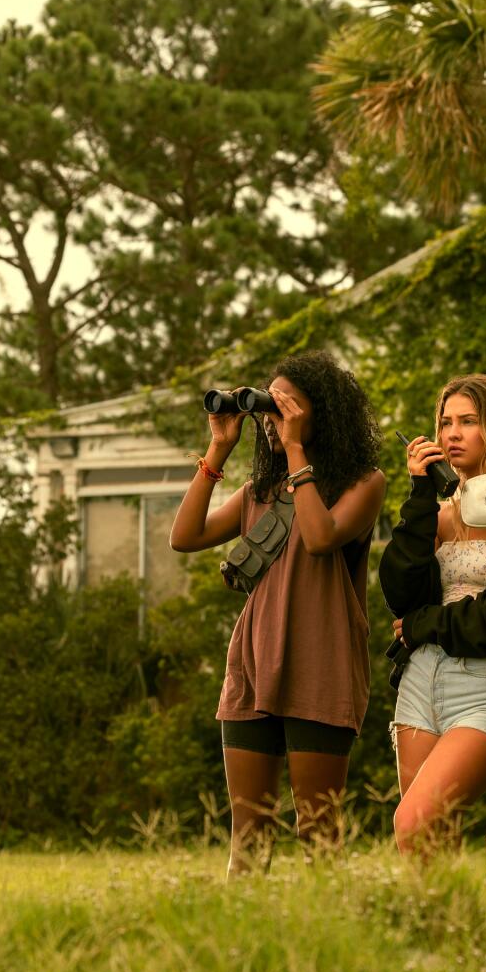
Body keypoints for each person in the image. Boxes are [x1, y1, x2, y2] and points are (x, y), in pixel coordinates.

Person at [170, 351, 386, 873]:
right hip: (252, 665)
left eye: (284, 407)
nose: (271, 420)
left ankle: (327, 945)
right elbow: (185, 537)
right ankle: (246, 948)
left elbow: (319, 538)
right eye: (267, 409)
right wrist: (218, 448)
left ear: (320, 412)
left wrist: (294, 450)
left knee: (319, 833)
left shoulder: (364, 483)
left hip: (322, 667)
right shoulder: (258, 493)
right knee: (248, 838)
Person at [379, 375, 486, 852]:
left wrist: (424, 625)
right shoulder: (439, 515)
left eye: (468, 421)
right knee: (429, 845)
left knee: (413, 822)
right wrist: (421, 496)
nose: (451, 435)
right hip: (422, 681)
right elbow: (401, 595)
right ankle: (441, 927)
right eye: (445, 423)